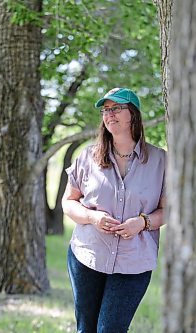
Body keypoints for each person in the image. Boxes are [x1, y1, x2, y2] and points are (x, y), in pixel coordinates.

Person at [62, 87, 166, 333]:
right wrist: (91, 216)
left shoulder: (161, 161)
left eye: (116, 108)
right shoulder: (87, 157)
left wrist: (142, 222)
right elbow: (69, 201)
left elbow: (169, 210)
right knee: (85, 329)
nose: (109, 114)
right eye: (105, 110)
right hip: (88, 255)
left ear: (133, 114)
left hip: (134, 262)